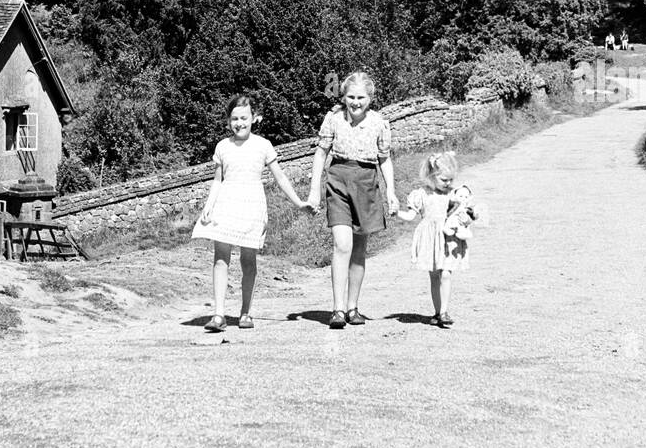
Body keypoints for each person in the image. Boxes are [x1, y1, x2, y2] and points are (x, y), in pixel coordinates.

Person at [192, 96, 311, 331]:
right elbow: (217, 180)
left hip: (252, 206)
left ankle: (245, 312)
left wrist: (299, 203)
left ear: (253, 118)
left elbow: (280, 177)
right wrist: (208, 205)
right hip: (225, 204)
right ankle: (218, 315)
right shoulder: (222, 147)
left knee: (248, 260)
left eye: (243, 118)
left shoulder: (263, 145)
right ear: (228, 121)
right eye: (234, 119)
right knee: (220, 257)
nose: (239, 123)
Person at [306, 71, 398, 328]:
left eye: (361, 97)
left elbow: (384, 159)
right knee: (342, 245)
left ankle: (352, 307)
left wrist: (391, 191)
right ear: (343, 96)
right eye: (350, 97)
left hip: (367, 184)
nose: (355, 102)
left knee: (358, 250)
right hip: (338, 182)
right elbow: (321, 153)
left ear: (370, 98)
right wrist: (314, 191)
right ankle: (336, 310)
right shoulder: (333, 119)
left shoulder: (379, 122)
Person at [398, 151, 485, 327]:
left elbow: (465, 214)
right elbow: (410, 216)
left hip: (449, 239)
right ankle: (437, 312)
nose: (448, 184)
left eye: (451, 180)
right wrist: (395, 213)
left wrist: (468, 218)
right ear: (431, 176)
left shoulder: (454, 196)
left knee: (446, 273)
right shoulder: (422, 194)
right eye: (444, 180)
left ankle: (444, 311)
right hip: (431, 240)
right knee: (434, 276)